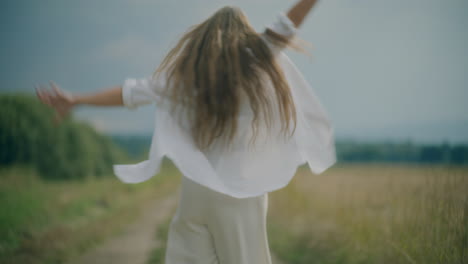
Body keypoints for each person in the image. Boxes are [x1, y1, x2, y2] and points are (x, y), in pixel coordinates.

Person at [36, 0, 336, 263]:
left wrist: (76, 99)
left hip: (196, 191)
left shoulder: (185, 77)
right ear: (244, 35)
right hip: (242, 193)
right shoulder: (256, 59)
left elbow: (129, 93)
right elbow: (287, 24)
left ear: (204, 38)